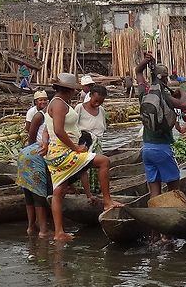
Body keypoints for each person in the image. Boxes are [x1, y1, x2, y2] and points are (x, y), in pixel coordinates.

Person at [44, 73, 120, 241]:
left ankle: (59, 233)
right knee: (104, 161)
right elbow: (57, 130)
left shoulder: (58, 103)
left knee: (59, 191)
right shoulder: (59, 104)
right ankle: (107, 202)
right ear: (69, 90)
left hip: (56, 151)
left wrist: (44, 142)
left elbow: (47, 128)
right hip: (63, 152)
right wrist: (75, 148)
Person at [135, 53, 186, 198]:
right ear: (165, 78)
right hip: (162, 149)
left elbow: (138, 71)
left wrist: (145, 61)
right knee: (174, 187)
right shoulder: (165, 96)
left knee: (154, 190)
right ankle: (174, 213)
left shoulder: (145, 93)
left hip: (146, 149)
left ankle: (155, 213)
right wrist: (182, 90)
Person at [16, 97, 51, 237]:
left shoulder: (48, 116)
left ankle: (31, 227)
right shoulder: (42, 116)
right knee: (39, 194)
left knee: (29, 194)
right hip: (37, 154)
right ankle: (43, 231)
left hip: (25, 154)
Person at [77, 84, 108, 152]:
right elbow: (73, 127)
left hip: (97, 145)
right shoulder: (80, 108)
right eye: (96, 101)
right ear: (90, 95)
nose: (97, 104)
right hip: (84, 145)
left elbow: (103, 128)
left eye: (101, 102)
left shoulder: (101, 110)